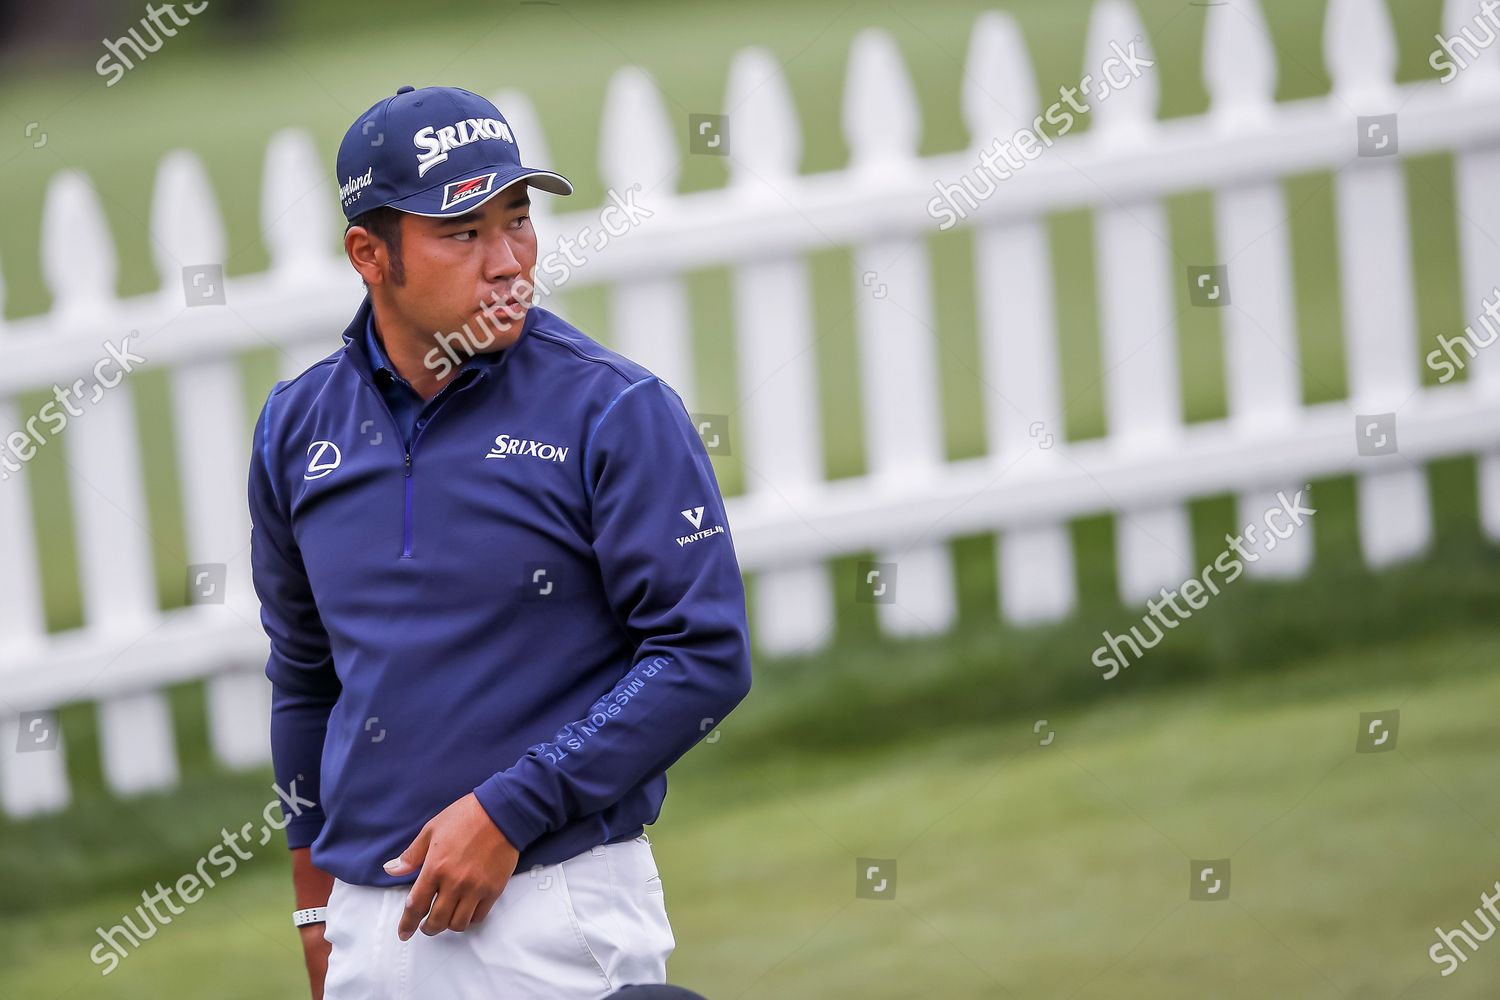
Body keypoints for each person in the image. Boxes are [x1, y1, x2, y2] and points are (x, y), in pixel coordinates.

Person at [248, 84, 752, 999]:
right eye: (463, 233)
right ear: (370, 254)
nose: (509, 261)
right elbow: (307, 678)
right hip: (366, 926)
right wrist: (313, 909)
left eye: (517, 220)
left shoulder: (616, 410)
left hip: (555, 903)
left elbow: (703, 656)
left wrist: (511, 809)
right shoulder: (295, 427)